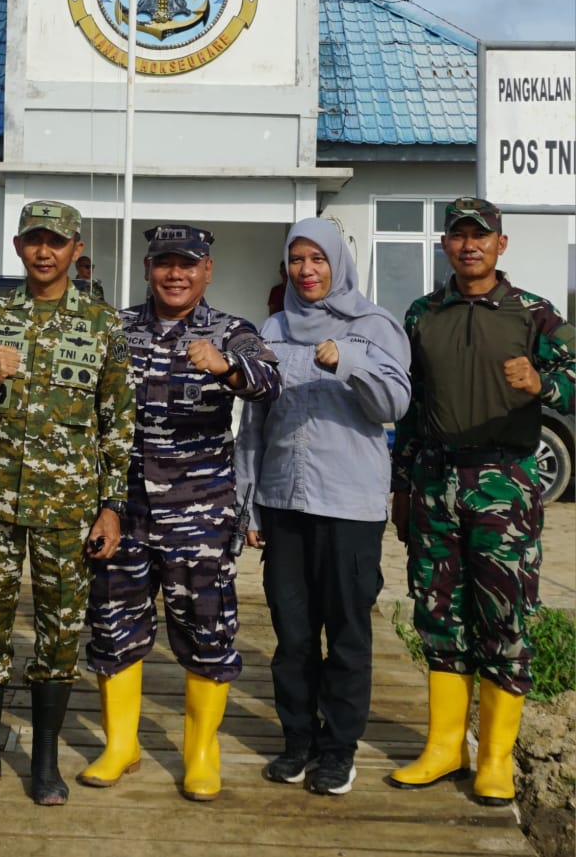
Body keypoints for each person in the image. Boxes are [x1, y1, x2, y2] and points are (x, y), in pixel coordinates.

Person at [386, 197, 574, 806]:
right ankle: (445, 748)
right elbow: (411, 408)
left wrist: (542, 384)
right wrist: (402, 485)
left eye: (481, 236)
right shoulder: (423, 313)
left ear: (501, 244)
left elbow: (574, 381)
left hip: (504, 484)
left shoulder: (533, 314)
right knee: (439, 614)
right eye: (459, 236)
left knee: (503, 618)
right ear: (445, 245)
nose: (469, 245)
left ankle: (493, 759)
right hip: (435, 481)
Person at [0, 201, 135, 806]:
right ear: (18, 245)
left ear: (76, 248)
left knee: (59, 632)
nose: (44, 252)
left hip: (69, 507)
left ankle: (46, 762)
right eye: (34, 241)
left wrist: (112, 506)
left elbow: (118, 426)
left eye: (56, 242)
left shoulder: (104, 324)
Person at [83, 224, 279, 801]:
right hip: (123, 507)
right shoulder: (115, 329)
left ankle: (201, 752)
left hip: (199, 511)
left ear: (207, 272)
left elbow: (269, 381)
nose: (175, 274)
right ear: (147, 268)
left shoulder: (230, 331)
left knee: (207, 629)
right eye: (165, 263)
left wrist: (225, 367)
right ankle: (122, 744)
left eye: (187, 265)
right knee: (114, 623)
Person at [235, 218, 411, 797]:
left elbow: (396, 404)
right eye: (297, 260)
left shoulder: (373, 325)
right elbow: (255, 422)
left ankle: (338, 751)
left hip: (349, 506)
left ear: (339, 261)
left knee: (348, 634)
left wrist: (350, 365)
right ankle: (298, 741)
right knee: (292, 635)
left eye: (318, 259)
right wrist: (250, 504)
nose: (307, 271)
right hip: (283, 500)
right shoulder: (274, 326)